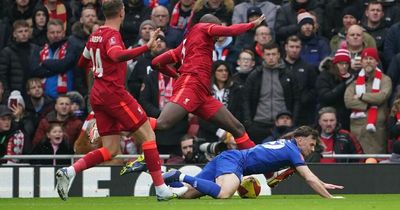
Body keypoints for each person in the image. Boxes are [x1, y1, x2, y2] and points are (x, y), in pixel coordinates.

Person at [55, 0, 179, 201]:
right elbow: (116, 55)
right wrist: (146, 47)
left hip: (98, 95)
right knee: (148, 136)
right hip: (114, 94)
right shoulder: (112, 35)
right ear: (121, 12)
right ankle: (161, 189)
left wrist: (98, 68)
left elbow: (81, 62)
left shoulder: (95, 35)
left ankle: (70, 171)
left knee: (111, 149)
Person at [149, 14, 265, 151]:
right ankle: (126, 123)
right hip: (191, 85)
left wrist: (175, 75)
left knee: (237, 128)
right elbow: (230, 31)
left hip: (202, 93)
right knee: (163, 123)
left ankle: (260, 165)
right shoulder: (201, 28)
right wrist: (252, 24)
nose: (217, 37)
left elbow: (157, 63)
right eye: (216, 30)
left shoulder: (186, 44)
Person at [163, 126, 345, 199]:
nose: (312, 149)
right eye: (311, 144)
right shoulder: (293, 151)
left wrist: (322, 183)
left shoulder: (288, 147)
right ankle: (180, 174)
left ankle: (166, 176)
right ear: (300, 140)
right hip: (235, 161)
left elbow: (307, 176)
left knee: (185, 195)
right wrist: (329, 198)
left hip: (228, 158)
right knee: (224, 194)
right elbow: (308, 177)